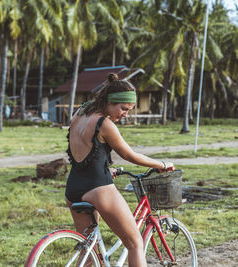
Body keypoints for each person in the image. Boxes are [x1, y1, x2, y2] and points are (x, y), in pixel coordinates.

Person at [65, 73, 173, 267]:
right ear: (110, 101)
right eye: (123, 108)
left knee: (88, 250)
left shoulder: (79, 113)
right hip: (98, 188)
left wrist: (106, 167)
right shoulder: (104, 124)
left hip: (73, 188)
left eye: (129, 110)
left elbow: (85, 149)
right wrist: (161, 164)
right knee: (134, 243)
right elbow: (129, 155)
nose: (125, 114)